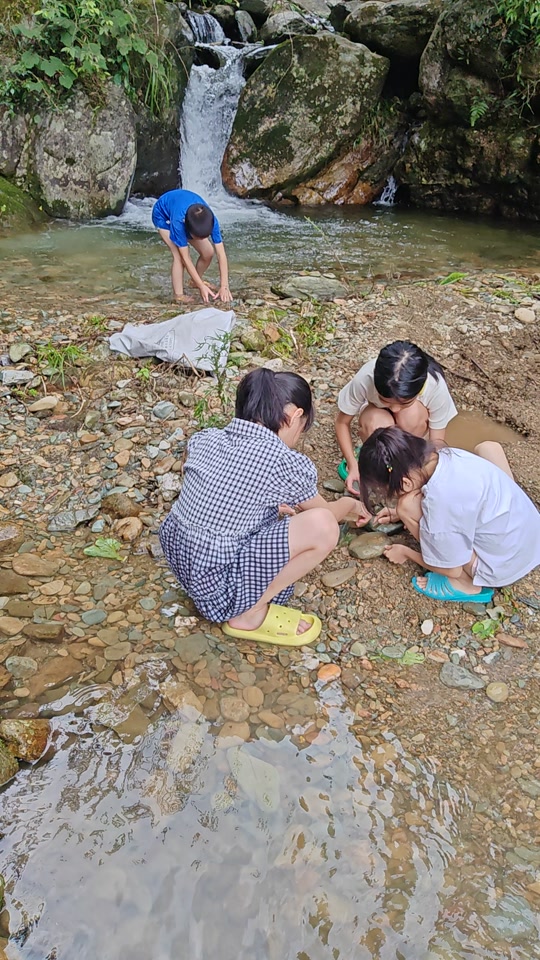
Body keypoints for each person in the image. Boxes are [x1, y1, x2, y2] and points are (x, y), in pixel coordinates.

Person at [159, 369, 370, 646]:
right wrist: (349, 504)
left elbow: (216, 492)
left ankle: (236, 599)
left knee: (276, 517)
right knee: (324, 526)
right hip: (219, 588)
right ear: (295, 416)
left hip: (186, 564)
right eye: (302, 426)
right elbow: (325, 515)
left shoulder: (205, 438)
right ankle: (249, 612)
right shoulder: (284, 462)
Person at [358, 426, 540, 603]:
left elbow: (452, 568)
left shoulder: (440, 500)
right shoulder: (448, 455)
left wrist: (406, 552)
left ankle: (466, 584)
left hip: (505, 566)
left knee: (405, 507)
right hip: (530, 535)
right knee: (486, 449)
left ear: (405, 484)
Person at [335, 341, 457, 495]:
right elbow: (342, 422)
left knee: (411, 415)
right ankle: (381, 457)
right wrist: (353, 465)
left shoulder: (435, 386)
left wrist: (423, 478)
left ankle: (403, 458)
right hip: (376, 416)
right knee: (376, 422)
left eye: (405, 402)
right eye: (385, 400)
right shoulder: (366, 377)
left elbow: (436, 445)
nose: (395, 409)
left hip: (413, 423)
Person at [151, 188, 232, 304]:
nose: (202, 240)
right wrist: (201, 286)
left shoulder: (211, 220)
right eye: (199, 237)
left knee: (208, 252)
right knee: (178, 256)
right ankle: (178, 295)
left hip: (185, 212)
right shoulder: (179, 224)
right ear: (188, 231)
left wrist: (224, 286)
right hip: (162, 216)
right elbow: (186, 258)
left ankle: (193, 282)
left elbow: (221, 253)